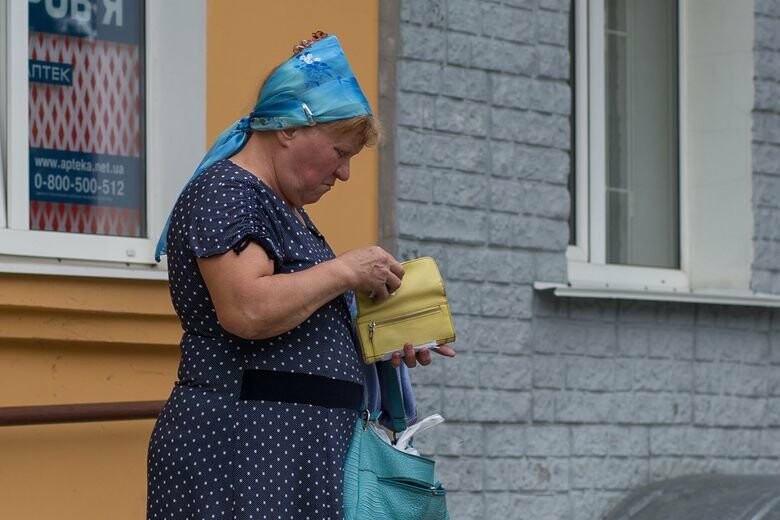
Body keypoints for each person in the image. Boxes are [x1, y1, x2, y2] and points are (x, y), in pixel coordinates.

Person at [146, 32, 455, 520]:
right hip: (245, 452)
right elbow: (247, 309)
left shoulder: (279, 205)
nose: (345, 173)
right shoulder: (228, 190)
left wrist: (387, 337)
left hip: (288, 452)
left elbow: (299, 325)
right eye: (340, 152)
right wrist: (347, 269)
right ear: (288, 129)